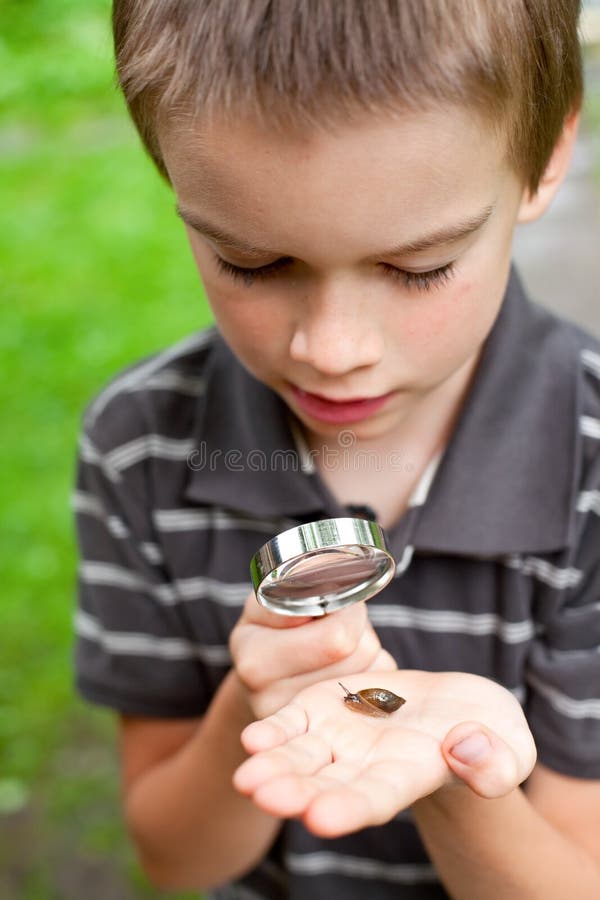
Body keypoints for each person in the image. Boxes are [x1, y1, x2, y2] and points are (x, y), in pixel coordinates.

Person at [72, 1, 600, 897]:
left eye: (418, 266)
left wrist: (452, 772)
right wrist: (257, 698)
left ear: (545, 157)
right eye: (252, 262)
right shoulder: (141, 446)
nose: (332, 347)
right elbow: (172, 856)